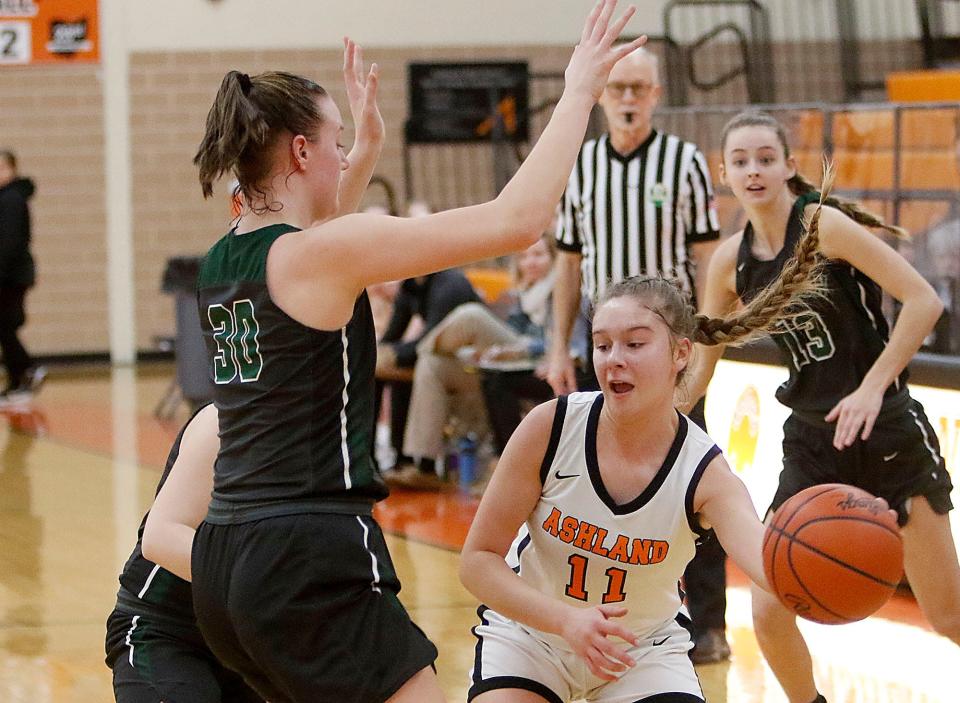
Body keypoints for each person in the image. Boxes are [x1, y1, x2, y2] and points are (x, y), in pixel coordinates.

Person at [181, 9, 647, 702]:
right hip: (308, 548)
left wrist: (364, 147)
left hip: (225, 557)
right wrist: (579, 89)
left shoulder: (223, 258)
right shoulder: (323, 253)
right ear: (302, 152)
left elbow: (316, 234)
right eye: (335, 141)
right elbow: (515, 220)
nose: (345, 155)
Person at [459, 269, 839, 703]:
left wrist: (823, 566)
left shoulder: (704, 470)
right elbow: (477, 561)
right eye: (602, 345)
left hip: (642, 653)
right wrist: (566, 620)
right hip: (534, 638)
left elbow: (768, 562)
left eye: (635, 344)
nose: (613, 358)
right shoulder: (551, 427)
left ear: (680, 353)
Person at [685, 110, 960, 703]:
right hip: (810, 441)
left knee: (947, 614)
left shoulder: (821, 226)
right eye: (740, 161)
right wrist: (655, 417)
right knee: (767, 610)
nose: (753, 170)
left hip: (885, 427)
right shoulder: (728, 262)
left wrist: (871, 386)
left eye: (765, 158)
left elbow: (922, 300)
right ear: (725, 175)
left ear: (789, 166)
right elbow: (703, 364)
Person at [546, 45, 729, 663]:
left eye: (639, 89)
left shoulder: (684, 164)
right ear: (600, 96)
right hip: (603, 349)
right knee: (593, 484)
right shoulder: (581, 165)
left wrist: (703, 351)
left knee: (693, 482)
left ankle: (708, 625)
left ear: (655, 96)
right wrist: (555, 345)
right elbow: (568, 265)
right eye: (618, 87)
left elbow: (709, 262)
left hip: (669, 353)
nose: (627, 98)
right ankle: (595, 612)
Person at [106, 404, 263, 703]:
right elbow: (160, 539)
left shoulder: (328, 438)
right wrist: (263, 586)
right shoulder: (222, 421)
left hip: (250, 645)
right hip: (164, 631)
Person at [393, 233, 558, 491]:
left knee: (470, 316)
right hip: (508, 362)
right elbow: (511, 332)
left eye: (538, 255)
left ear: (554, 258)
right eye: (524, 256)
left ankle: (421, 348)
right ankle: (424, 465)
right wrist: (492, 352)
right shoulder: (522, 294)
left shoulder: (562, 290)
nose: (531, 262)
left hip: (541, 361)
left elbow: (564, 343)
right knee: (433, 365)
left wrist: (515, 347)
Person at [0, 149, 44, 405]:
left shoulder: (11, 199)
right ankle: (20, 378)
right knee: (6, 327)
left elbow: (9, 243)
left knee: (5, 327)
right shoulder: (8, 198)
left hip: (11, 276)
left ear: (10, 169)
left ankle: (27, 372)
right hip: (12, 274)